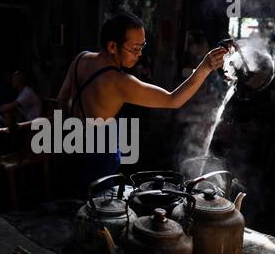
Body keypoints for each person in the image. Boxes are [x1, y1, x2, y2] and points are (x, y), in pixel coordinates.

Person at [57, 12, 227, 196]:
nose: (140, 54)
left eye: (142, 46)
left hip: (72, 148)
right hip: (97, 161)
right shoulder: (119, 82)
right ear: (113, 46)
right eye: (135, 48)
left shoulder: (81, 59)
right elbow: (173, 99)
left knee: (72, 200)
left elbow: (62, 98)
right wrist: (205, 67)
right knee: (96, 207)